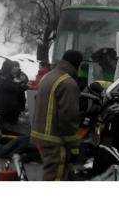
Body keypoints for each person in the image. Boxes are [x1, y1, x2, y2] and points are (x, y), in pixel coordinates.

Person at [31, 50, 83, 181]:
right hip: (54, 138)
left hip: (40, 133)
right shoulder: (68, 83)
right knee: (56, 177)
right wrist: (74, 144)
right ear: (77, 64)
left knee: (50, 171)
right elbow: (69, 117)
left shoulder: (48, 76)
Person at [0, 60, 25, 127]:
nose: (13, 68)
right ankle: (5, 134)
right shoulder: (5, 76)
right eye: (12, 67)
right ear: (9, 67)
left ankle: (2, 133)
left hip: (2, 104)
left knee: (4, 121)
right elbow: (11, 87)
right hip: (6, 105)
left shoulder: (0, 74)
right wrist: (22, 85)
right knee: (8, 123)